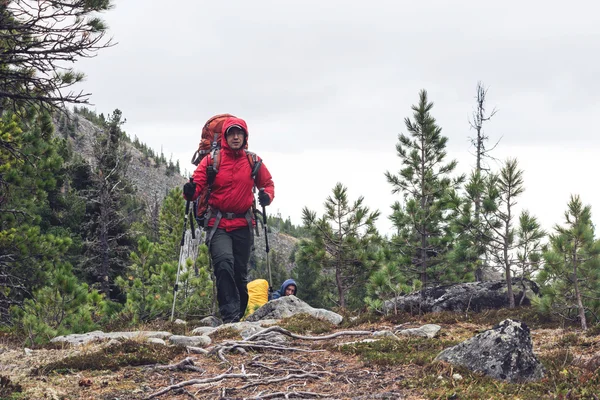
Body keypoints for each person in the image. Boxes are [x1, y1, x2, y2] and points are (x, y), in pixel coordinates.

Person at [183, 116, 275, 323]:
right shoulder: (212, 160)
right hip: (218, 224)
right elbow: (196, 184)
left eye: (239, 133)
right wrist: (190, 191)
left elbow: (267, 183)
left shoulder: (253, 161)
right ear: (225, 137)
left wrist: (267, 196)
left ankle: (239, 312)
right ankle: (230, 317)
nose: (235, 137)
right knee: (223, 264)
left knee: (240, 272)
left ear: (245, 137)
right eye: (231, 133)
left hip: (243, 224)